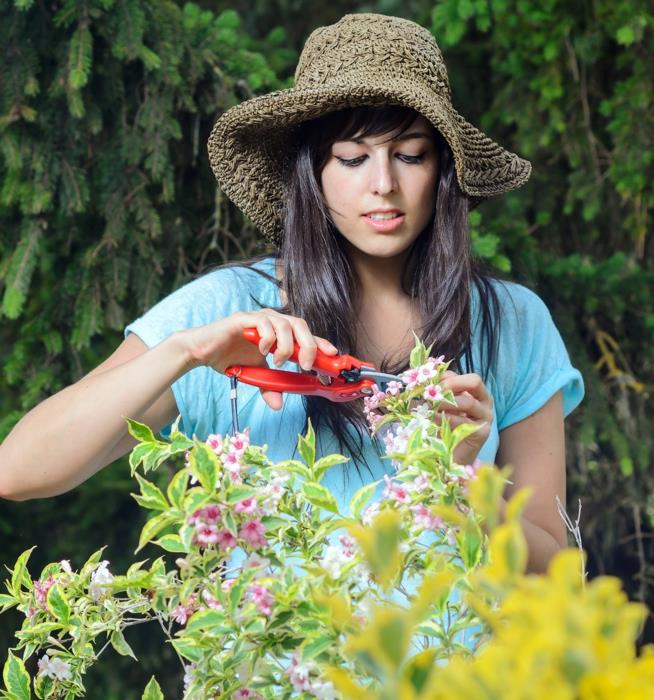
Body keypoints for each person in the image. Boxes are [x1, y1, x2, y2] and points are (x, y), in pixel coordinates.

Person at [0, 13, 583, 574]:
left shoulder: (510, 322)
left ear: (444, 170)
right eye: (352, 158)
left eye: (409, 155)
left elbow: (557, 571)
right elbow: (19, 470)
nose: (384, 184)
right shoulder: (226, 310)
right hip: (273, 676)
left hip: (459, 676)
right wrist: (187, 353)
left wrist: (459, 483)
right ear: (312, 173)